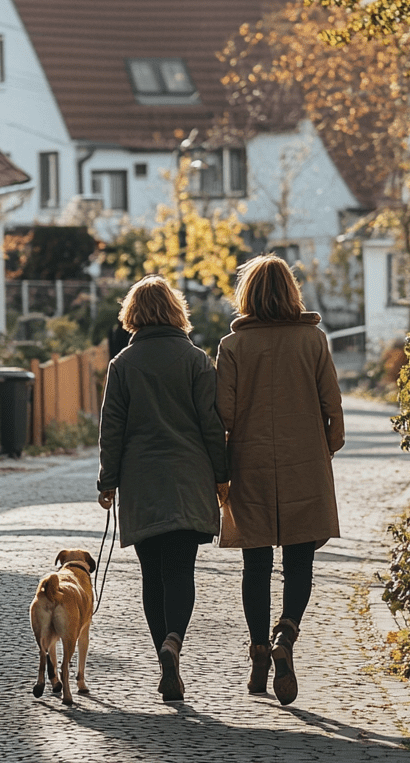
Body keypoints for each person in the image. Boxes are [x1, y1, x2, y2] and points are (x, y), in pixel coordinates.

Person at [215, 254, 344, 707]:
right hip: (303, 460)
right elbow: (333, 407)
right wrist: (324, 446)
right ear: (291, 291)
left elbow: (224, 415)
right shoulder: (313, 340)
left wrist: (221, 466)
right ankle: (286, 632)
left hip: (249, 461)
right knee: (300, 561)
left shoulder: (232, 348)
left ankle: (258, 652)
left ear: (246, 295)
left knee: (256, 566)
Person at [97, 275, 229, 703]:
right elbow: (212, 423)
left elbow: (111, 429)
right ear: (176, 310)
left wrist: (108, 481)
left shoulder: (122, 365)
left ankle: (161, 656)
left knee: (151, 576)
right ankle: (175, 640)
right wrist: (222, 475)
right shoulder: (195, 360)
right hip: (189, 478)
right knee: (180, 572)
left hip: (141, 482)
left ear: (132, 314)